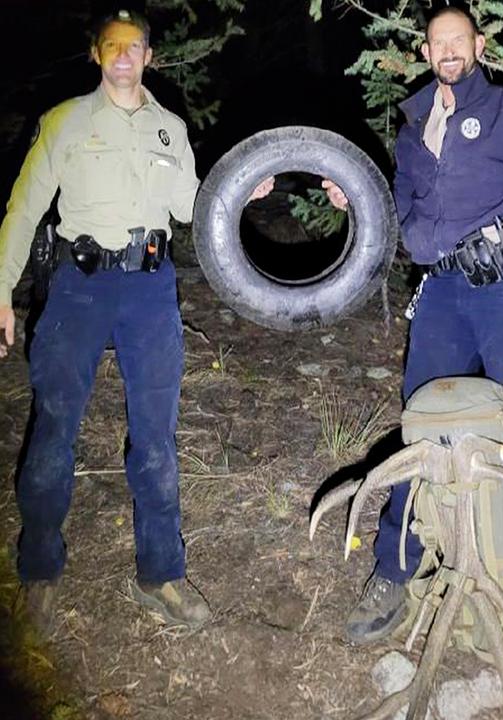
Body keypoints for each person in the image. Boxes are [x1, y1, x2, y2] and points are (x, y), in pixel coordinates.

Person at [0, 9, 276, 633]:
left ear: (149, 57)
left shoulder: (170, 129)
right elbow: (22, 210)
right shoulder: (66, 122)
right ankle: (39, 569)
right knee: (53, 429)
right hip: (80, 288)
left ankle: (162, 574)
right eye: (112, 46)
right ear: (97, 55)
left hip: (151, 290)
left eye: (134, 47)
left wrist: (241, 191)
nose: (124, 56)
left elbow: (190, 206)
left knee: (156, 437)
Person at [327, 4, 503, 644]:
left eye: (458, 40)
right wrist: (355, 199)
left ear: (477, 44)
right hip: (442, 291)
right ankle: (395, 568)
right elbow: (403, 214)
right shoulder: (414, 127)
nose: (448, 51)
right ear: (425, 52)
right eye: (437, 43)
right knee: (422, 423)